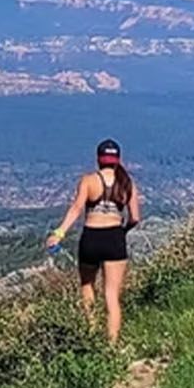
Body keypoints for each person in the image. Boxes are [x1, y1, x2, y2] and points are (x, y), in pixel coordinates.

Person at [46, 138, 142, 343]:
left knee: (87, 285)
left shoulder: (89, 181)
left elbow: (76, 209)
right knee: (112, 296)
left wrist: (59, 233)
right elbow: (135, 217)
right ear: (118, 159)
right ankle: (111, 346)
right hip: (115, 238)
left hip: (91, 238)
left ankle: (91, 334)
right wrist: (123, 231)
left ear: (98, 159)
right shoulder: (127, 184)